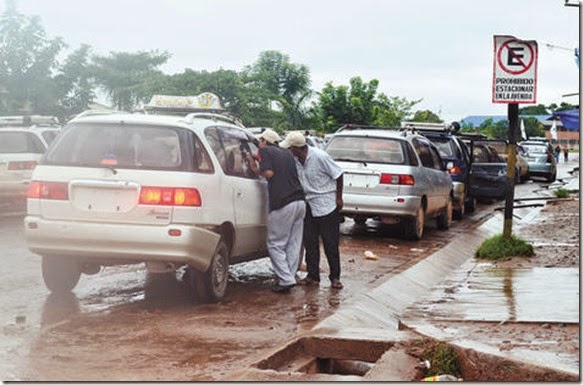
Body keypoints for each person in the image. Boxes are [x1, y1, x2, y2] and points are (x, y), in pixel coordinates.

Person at [280, 131, 344, 289]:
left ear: (297, 148)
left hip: (326, 204)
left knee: (330, 243)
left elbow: (339, 174)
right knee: (310, 242)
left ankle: (335, 277)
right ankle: (313, 276)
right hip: (308, 203)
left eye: (290, 148)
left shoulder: (320, 157)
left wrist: (338, 197)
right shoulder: (295, 161)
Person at [245, 129, 306, 293]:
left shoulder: (264, 151)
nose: (259, 144)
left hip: (283, 202)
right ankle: (290, 276)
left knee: (275, 244)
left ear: (264, 141)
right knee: (293, 243)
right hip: (300, 201)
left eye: (260, 141)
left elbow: (269, 173)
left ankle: (285, 280)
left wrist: (253, 166)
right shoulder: (287, 154)